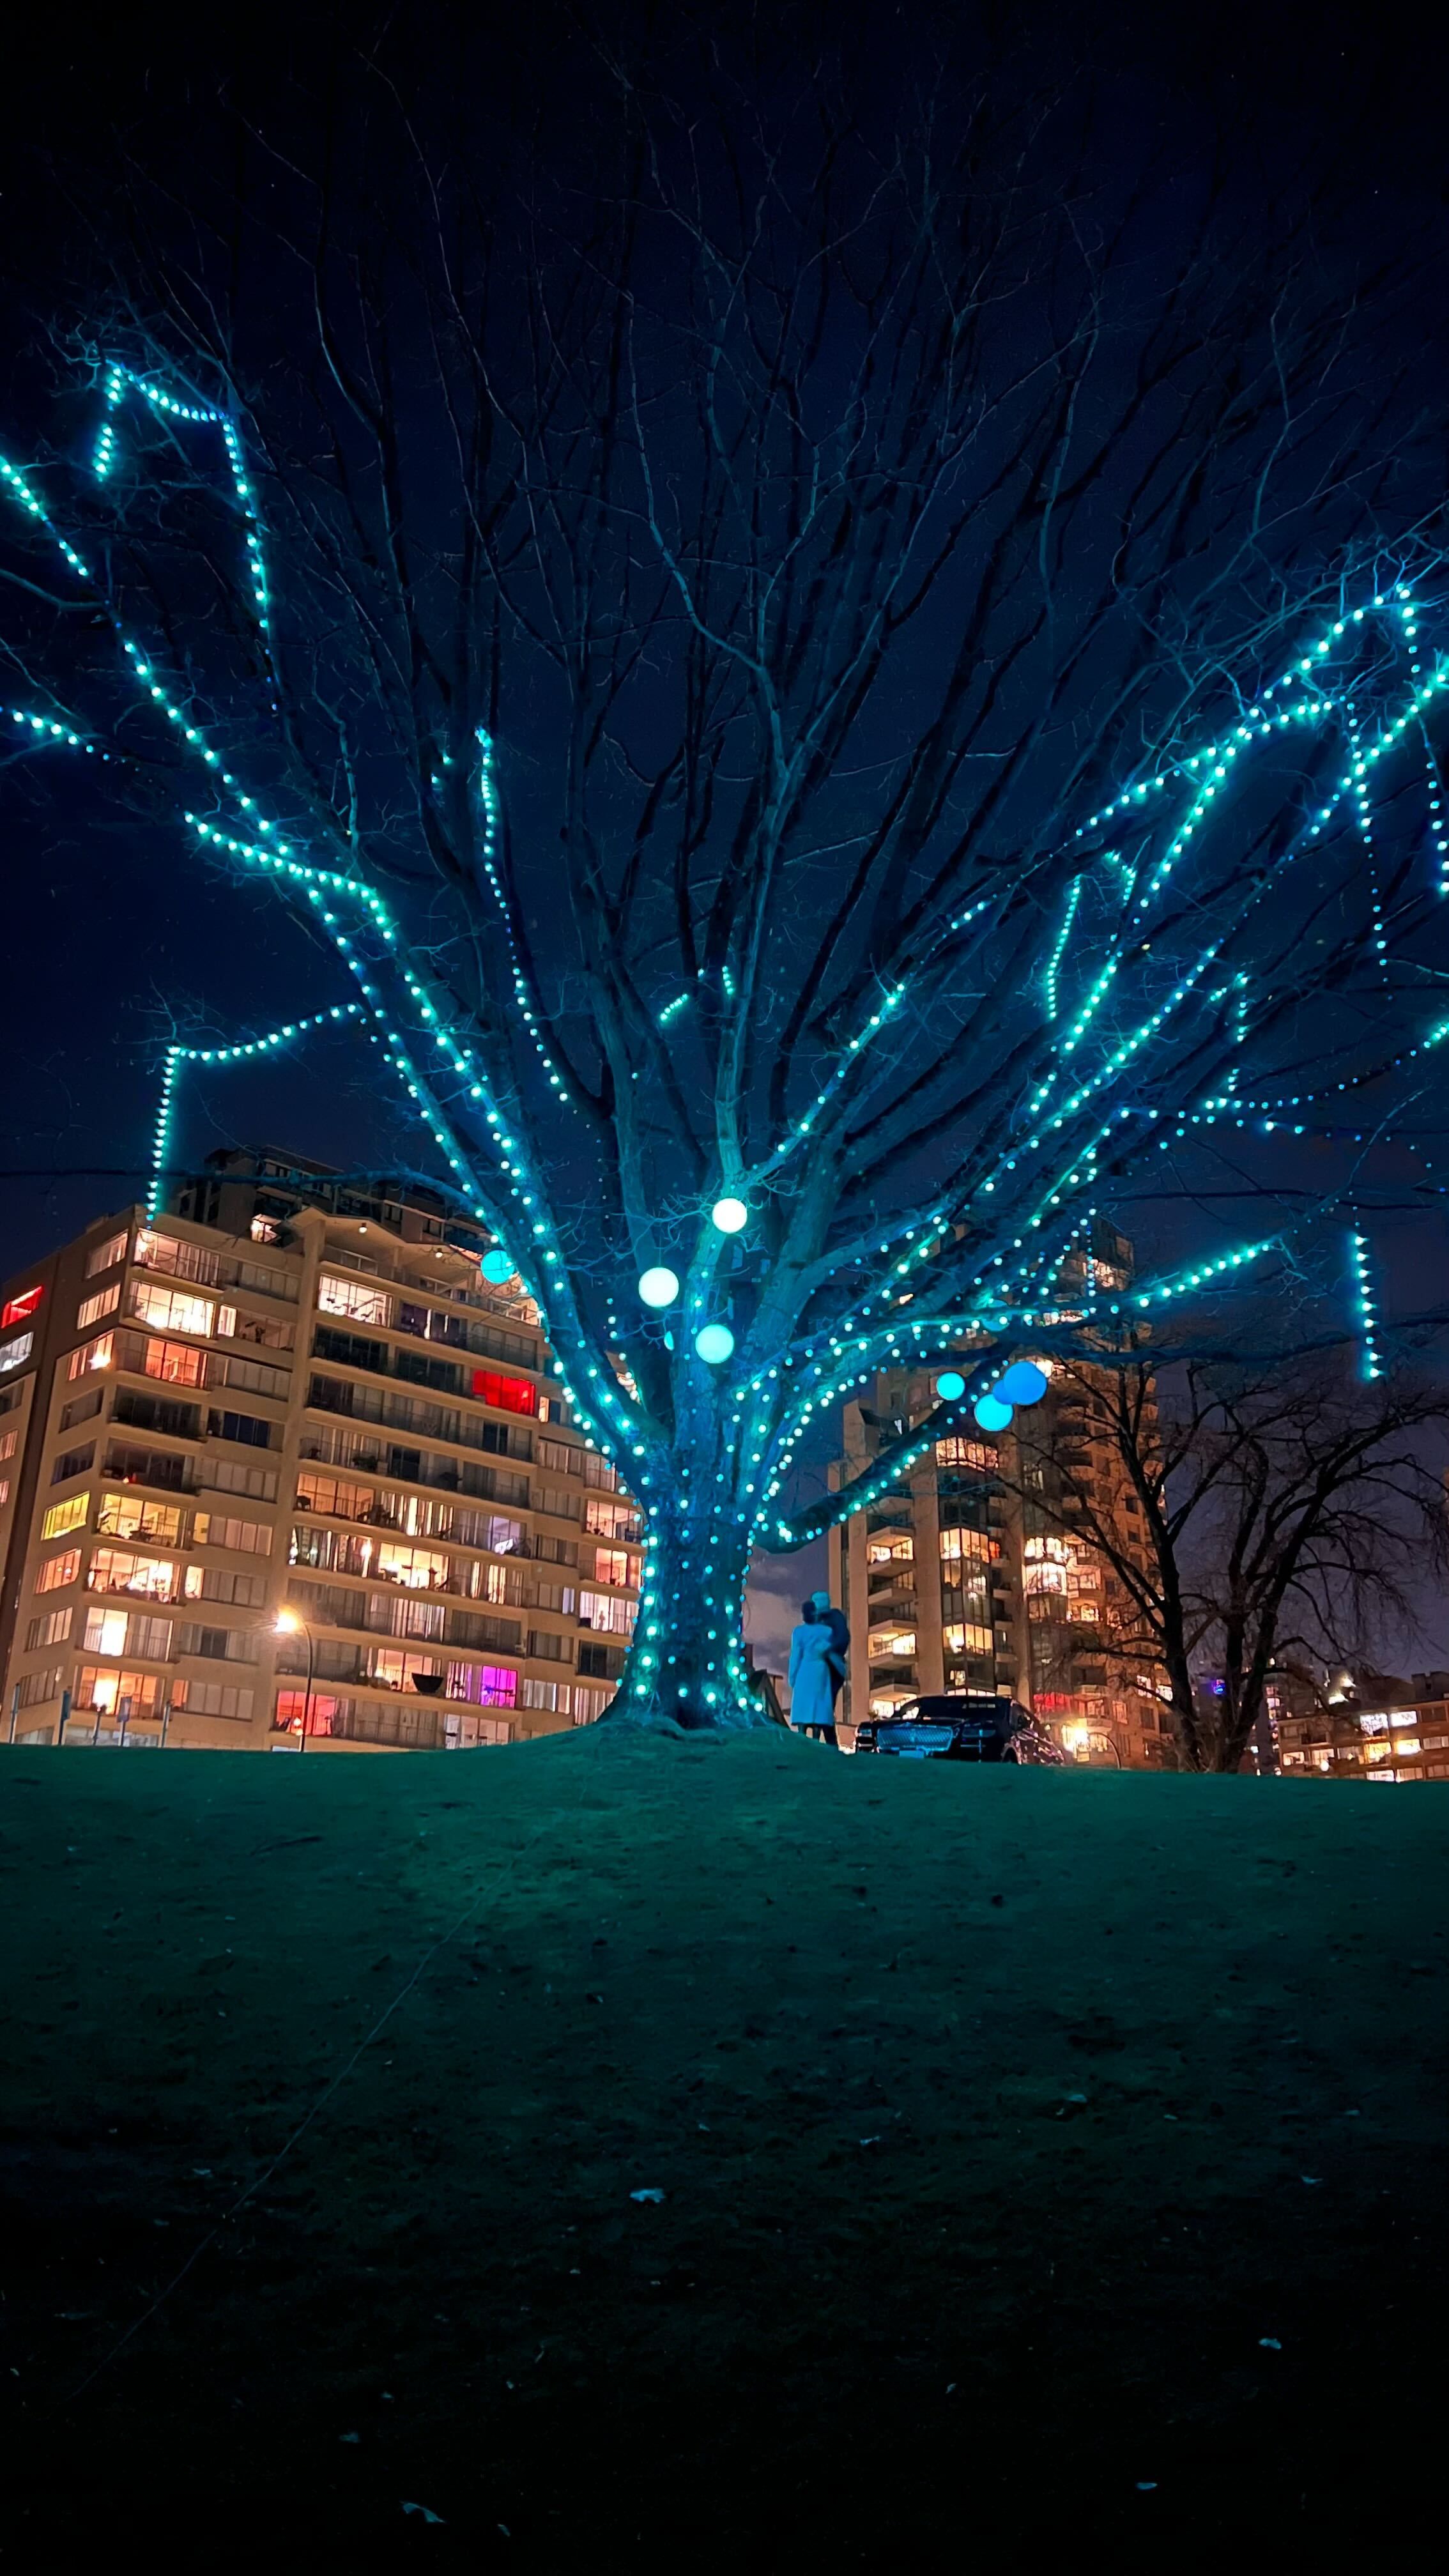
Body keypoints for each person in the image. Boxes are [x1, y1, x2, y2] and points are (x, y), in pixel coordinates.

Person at [788, 1598, 838, 1738]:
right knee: (819, 1704)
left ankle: (802, 1735)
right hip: (820, 1670)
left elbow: (795, 1656)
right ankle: (816, 1737)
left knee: (804, 1703)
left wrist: (792, 1677)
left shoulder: (799, 1632)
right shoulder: (827, 1632)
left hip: (805, 1669)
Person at [811, 1589, 850, 1709]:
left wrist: (828, 1650)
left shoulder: (834, 1616)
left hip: (832, 1663)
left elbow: (842, 1637)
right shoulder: (815, 1620)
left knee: (827, 1702)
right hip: (818, 1665)